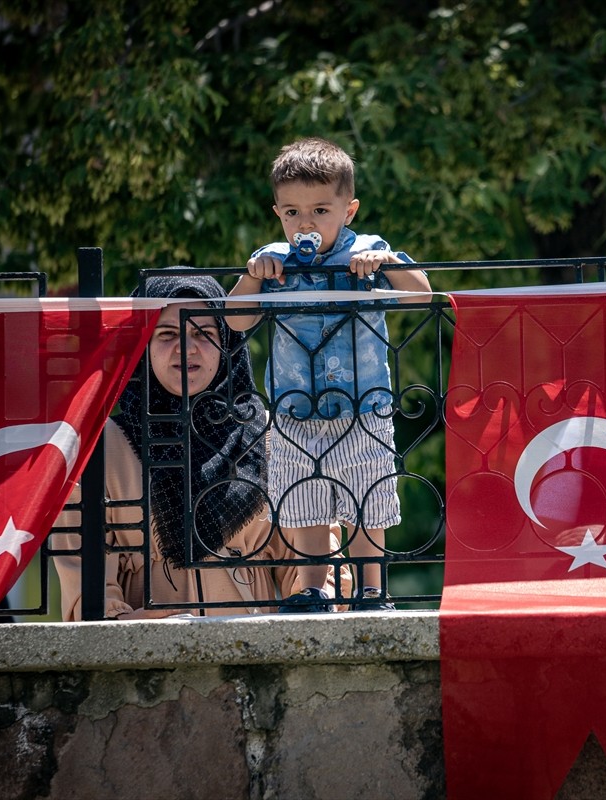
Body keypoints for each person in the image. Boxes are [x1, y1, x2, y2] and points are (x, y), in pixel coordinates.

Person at [52, 272, 340, 619]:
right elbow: (88, 587)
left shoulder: (270, 436)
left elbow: (314, 555)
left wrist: (308, 611)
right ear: (141, 345)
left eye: (203, 333)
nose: (185, 348)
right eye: (167, 334)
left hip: (256, 655)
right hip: (145, 657)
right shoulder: (100, 447)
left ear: (226, 343)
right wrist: (165, 629)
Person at [228, 137, 432, 611]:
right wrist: (255, 275)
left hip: (362, 405)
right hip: (295, 408)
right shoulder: (273, 259)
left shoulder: (368, 250)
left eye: (321, 210)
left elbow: (422, 296)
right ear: (277, 212)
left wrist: (387, 264)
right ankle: (314, 587)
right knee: (305, 503)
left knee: (368, 500)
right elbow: (236, 321)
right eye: (293, 212)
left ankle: (372, 591)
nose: (306, 223)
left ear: (349, 210)